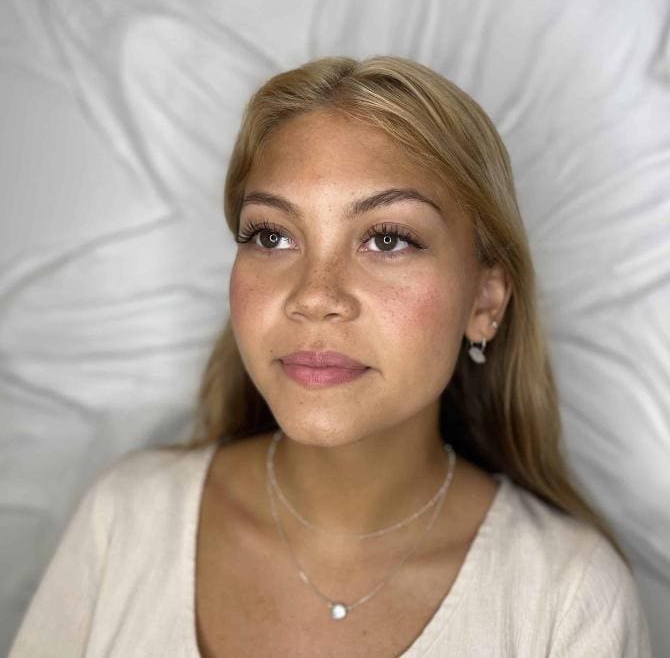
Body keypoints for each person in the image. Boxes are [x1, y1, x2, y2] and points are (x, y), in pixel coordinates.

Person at [9, 55, 652, 657]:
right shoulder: (125, 519)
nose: (315, 297)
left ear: (485, 300)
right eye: (272, 235)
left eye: (388, 239)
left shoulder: (568, 599)